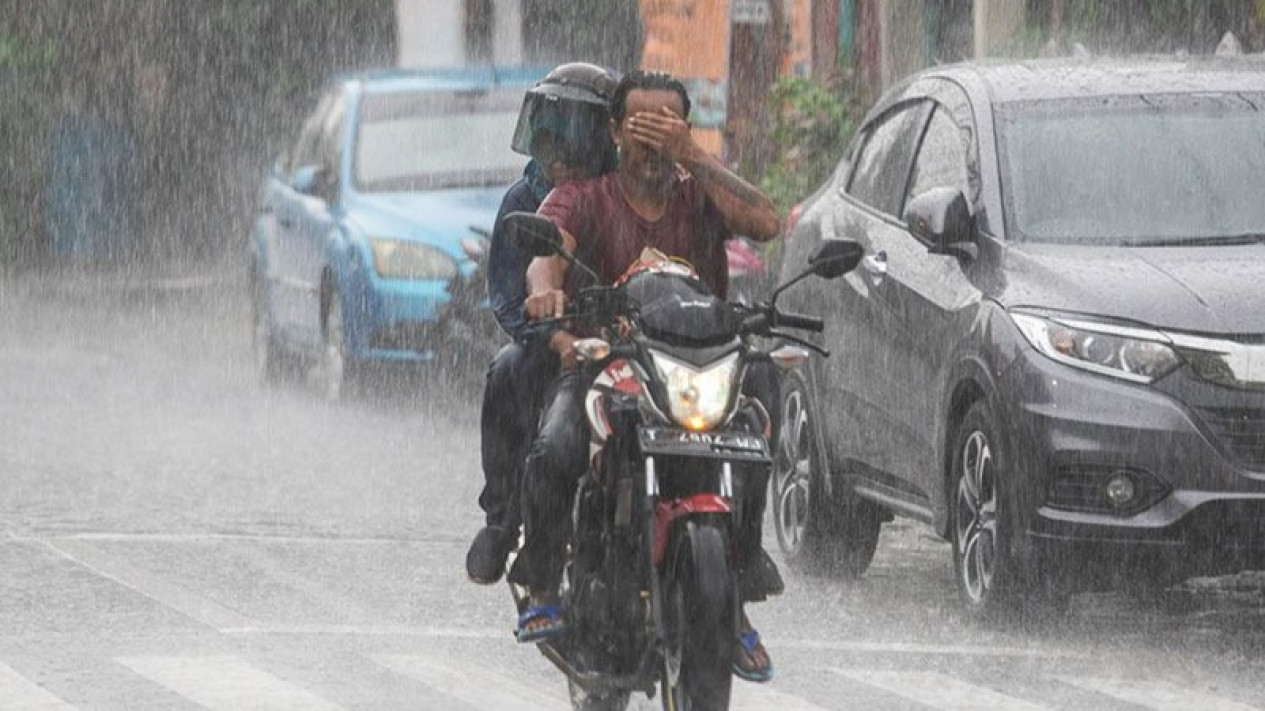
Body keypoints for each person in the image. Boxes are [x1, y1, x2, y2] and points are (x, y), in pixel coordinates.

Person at [510, 70, 783, 683]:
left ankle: (737, 580)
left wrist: (697, 157)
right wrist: (546, 293)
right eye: (642, 125)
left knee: (763, 401)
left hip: (699, 368)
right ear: (613, 130)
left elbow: (766, 221)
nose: (656, 140)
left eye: (671, 126)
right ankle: (544, 583)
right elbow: (546, 255)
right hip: (609, 365)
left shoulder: (700, 193)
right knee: (556, 442)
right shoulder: (584, 196)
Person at [465, 63, 619, 585]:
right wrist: (554, 336)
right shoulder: (522, 199)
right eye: (547, 131)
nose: (554, 151)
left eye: (571, 132)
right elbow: (510, 299)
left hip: (629, 345)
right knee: (506, 371)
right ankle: (504, 519)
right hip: (551, 344)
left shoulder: (626, 194)